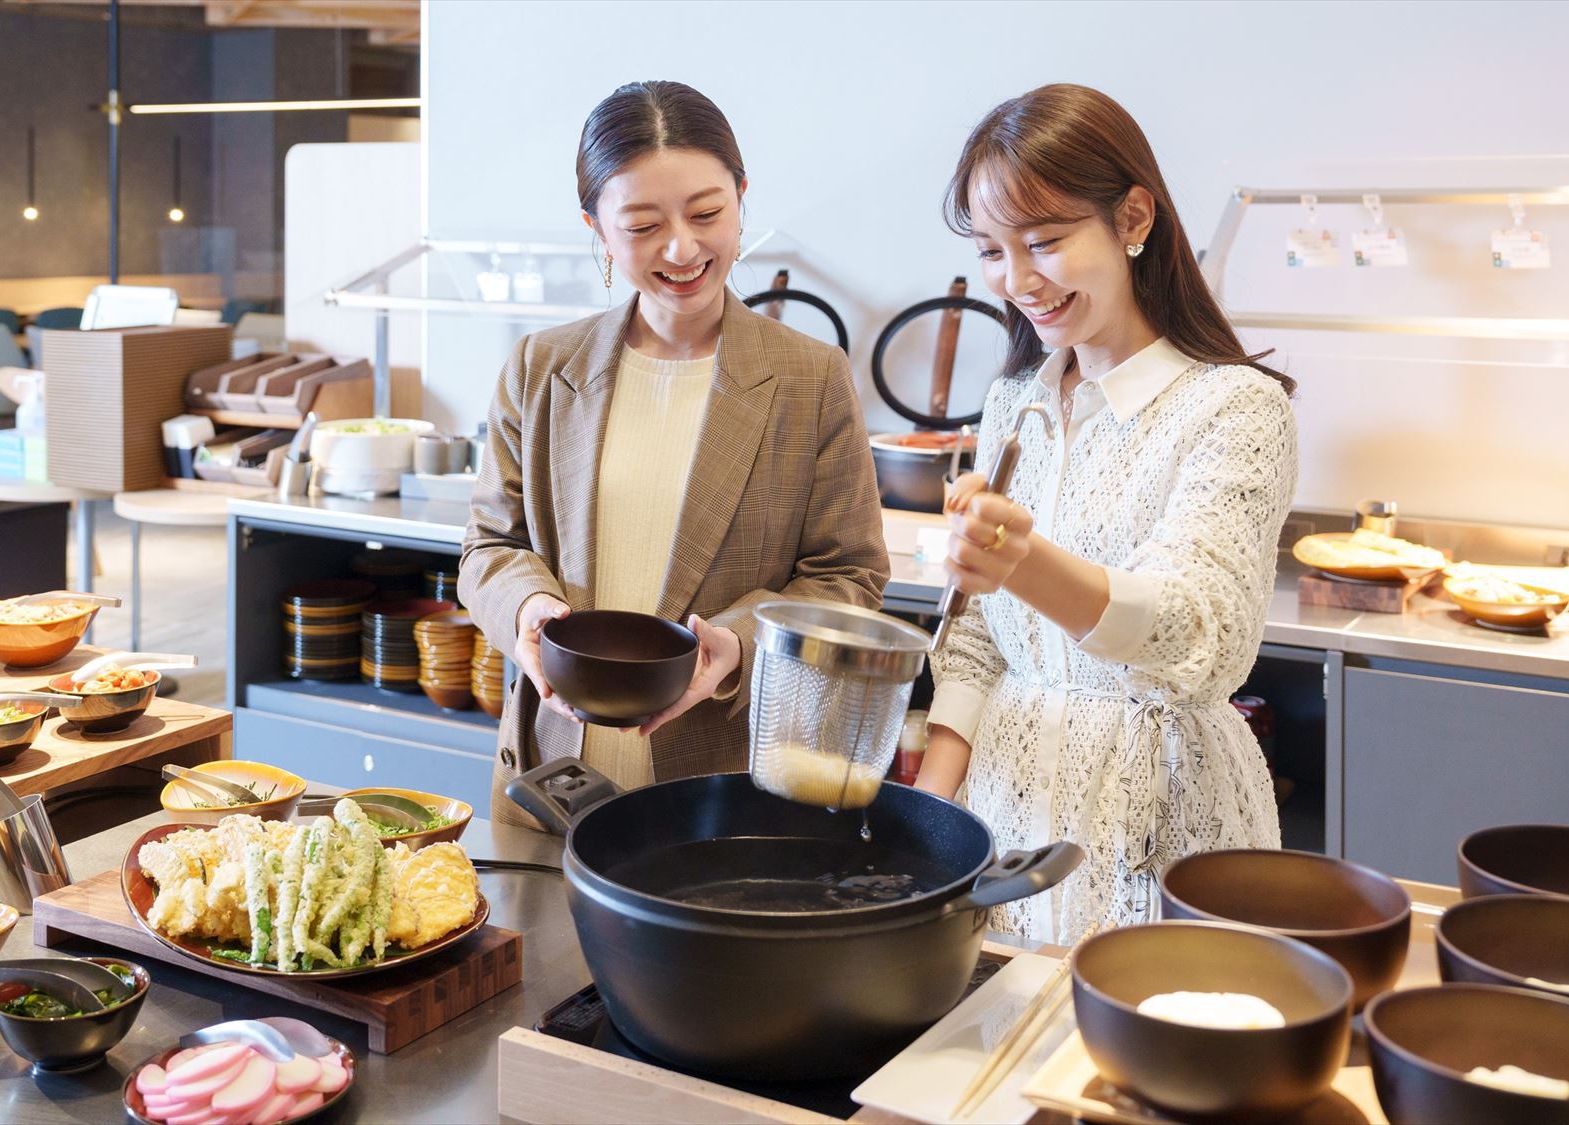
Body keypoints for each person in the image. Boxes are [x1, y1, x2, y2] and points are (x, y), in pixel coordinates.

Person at [913, 84, 1300, 944]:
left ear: (1132, 219)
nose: (1017, 282)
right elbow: (977, 633)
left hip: (1162, 811)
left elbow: (1201, 639)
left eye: (1045, 241)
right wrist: (927, 819)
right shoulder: (1015, 401)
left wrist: (1022, 560)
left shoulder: (1232, 408)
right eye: (991, 250)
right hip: (1009, 807)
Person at [463, 80, 888, 828]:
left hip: (727, 790)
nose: (682, 248)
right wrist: (528, 607)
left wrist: (741, 644)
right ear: (596, 226)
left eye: (707, 213)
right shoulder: (541, 368)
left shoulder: (809, 378)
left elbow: (848, 574)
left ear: (742, 196)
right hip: (549, 781)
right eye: (642, 224)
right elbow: (489, 546)